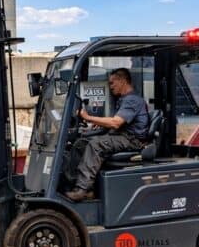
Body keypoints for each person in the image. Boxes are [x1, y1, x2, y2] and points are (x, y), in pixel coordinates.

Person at [64, 68, 149, 202]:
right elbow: (117, 121)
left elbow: (115, 123)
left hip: (132, 140)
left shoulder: (132, 100)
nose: (110, 87)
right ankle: (76, 184)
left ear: (122, 81)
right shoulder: (124, 100)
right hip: (121, 137)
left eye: (112, 83)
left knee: (96, 144)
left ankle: (83, 189)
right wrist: (100, 124)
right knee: (81, 144)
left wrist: (88, 117)